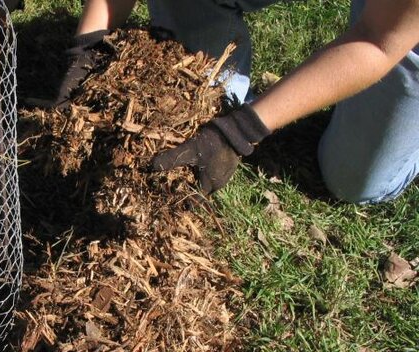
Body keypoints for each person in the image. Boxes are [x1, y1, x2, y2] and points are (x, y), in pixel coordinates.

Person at [46, 0, 419, 204]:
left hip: (398, 24)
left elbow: (378, 38)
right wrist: (88, 45)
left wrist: (241, 131)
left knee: (353, 182)